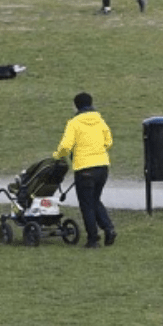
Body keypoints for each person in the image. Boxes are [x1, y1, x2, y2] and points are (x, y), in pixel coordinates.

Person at [53, 92, 117, 249]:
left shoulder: (74, 123)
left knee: (87, 204)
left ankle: (93, 239)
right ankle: (109, 228)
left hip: (84, 168)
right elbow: (109, 142)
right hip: (102, 166)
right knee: (95, 200)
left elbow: (66, 146)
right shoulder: (99, 120)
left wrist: (57, 155)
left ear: (76, 106)